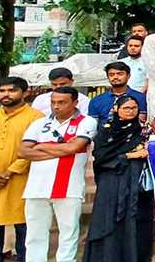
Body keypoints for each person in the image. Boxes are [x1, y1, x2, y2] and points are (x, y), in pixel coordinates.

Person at [19, 87, 98, 262]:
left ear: (75, 103)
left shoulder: (87, 122)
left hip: (69, 186)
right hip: (36, 188)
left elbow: (74, 147)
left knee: (68, 234)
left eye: (61, 102)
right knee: (34, 235)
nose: (56, 106)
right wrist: (61, 150)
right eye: (53, 102)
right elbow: (23, 152)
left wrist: (40, 146)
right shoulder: (39, 123)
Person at [82, 95, 153, 262]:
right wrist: (130, 155)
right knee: (109, 219)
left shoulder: (143, 130)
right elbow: (101, 156)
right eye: (126, 108)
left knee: (135, 219)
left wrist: (144, 152)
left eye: (134, 108)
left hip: (136, 182)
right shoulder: (107, 131)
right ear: (116, 109)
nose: (130, 111)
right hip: (111, 181)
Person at [0, 77, 43, 262]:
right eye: (2, 90)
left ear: (25, 92)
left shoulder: (37, 118)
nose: (6, 94)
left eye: (12, 90)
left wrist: (8, 172)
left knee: (25, 231)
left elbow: (36, 149)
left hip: (22, 182)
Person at [88, 62, 147, 127]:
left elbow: (142, 122)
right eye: (111, 74)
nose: (115, 77)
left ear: (128, 76)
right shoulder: (96, 101)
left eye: (120, 74)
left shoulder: (141, 98)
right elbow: (92, 127)